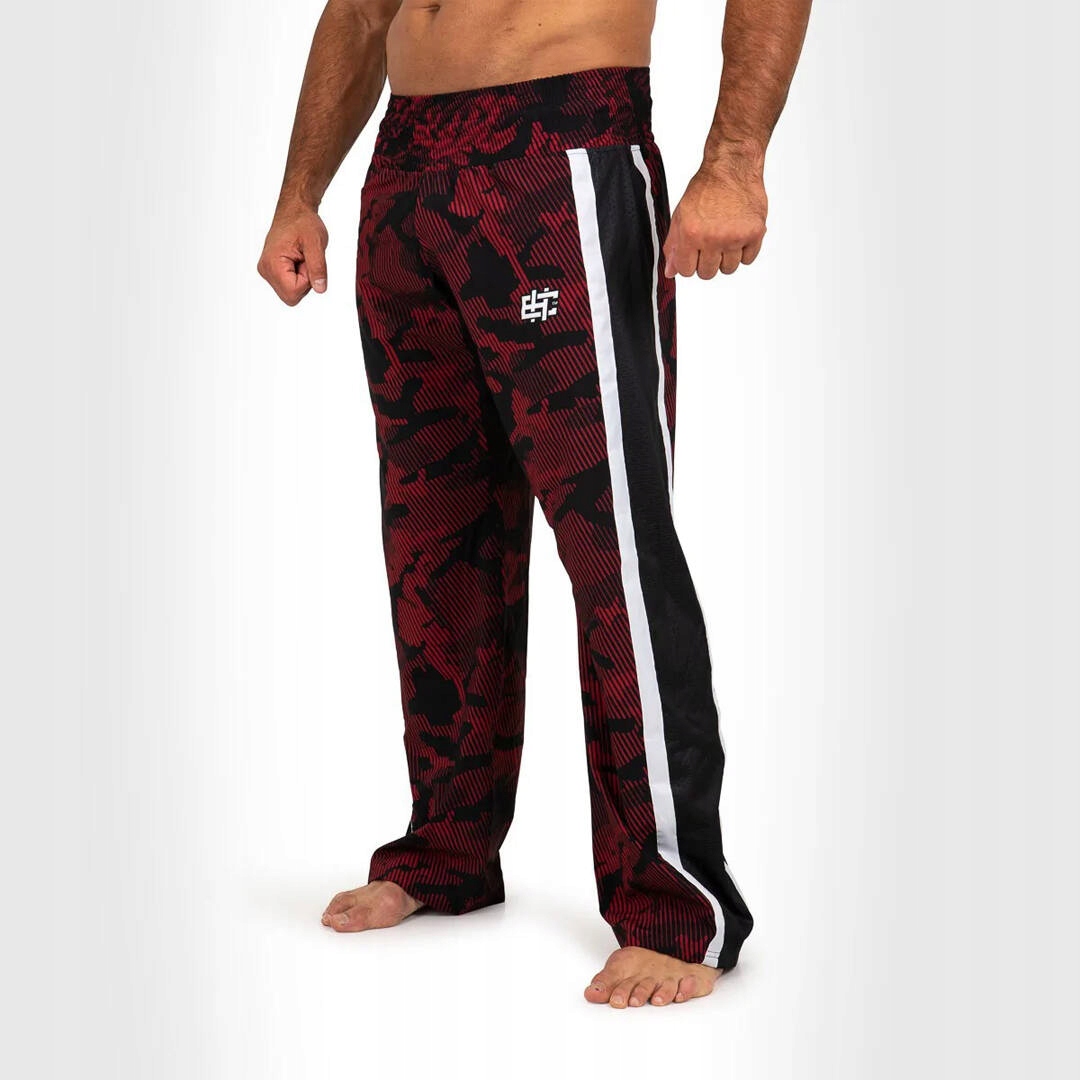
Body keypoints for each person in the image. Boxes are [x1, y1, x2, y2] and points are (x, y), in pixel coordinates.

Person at [257, 0, 811, 1009]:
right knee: (435, 536)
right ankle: (448, 848)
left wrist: (734, 161)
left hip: (559, 145)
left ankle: (677, 903)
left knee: (613, 546)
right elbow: (361, 9)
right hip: (406, 171)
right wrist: (302, 193)